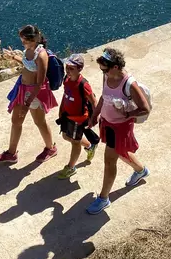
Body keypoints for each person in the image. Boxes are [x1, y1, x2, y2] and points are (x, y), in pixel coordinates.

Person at [86, 47, 150, 215]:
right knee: (120, 153)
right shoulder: (107, 75)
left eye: (105, 68)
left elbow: (145, 108)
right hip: (107, 122)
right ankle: (141, 170)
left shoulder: (129, 84)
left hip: (120, 127)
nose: (102, 72)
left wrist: (128, 113)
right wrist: (95, 115)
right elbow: (103, 96)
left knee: (109, 160)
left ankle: (103, 198)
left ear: (115, 67)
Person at [0, 24, 58, 164]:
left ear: (34, 39)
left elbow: (40, 83)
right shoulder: (29, 49)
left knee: (39, 122)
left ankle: (51, 148)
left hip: (34, 93)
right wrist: (14, 57)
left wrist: (27, 104)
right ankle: (11, 153)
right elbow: (27, 64)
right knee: (16, 121)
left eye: (25, 41)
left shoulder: (41, 55)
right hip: (22, 89)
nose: (22, 43)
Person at [55, 54, 100, 179]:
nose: (68, 70)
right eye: (67, 67)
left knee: (75, 142)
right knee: (65, 136)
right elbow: (66, 95)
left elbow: (94, 101)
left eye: (71, 68)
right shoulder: (67, 79)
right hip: (67, 115)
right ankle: (90, 146)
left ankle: (71, 167)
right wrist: (61, 109)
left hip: (78, 119)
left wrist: (93, 118)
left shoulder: (83, 85)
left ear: (79, 69)